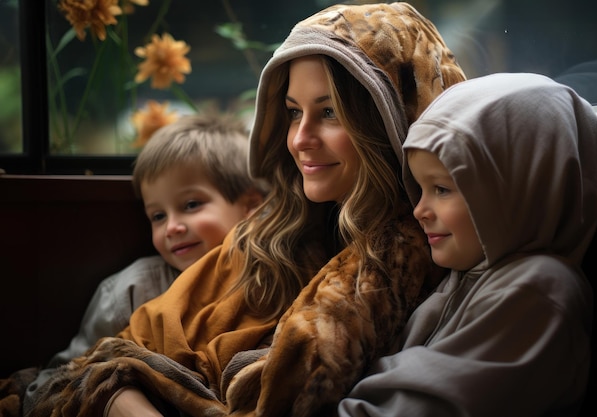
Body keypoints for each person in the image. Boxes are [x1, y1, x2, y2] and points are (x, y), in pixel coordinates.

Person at [23, 3, 466, 417]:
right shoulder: (268, 234)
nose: (299, 139)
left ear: (385, 122)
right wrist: (119, 393)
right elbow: (116, 353)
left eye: (329, 112)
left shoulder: (428, 248)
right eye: (293, 113)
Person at [336, 73, 597, 417]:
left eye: (442, 189)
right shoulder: (463, 277)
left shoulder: (539, 292)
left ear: (516, 189)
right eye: (420, 188)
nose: (419, 210)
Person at [5, 112, 268, 415]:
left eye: (191, 205)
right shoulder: (131, 290)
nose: (171, 227)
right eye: (158, 216)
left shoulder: (270, 283)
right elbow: (55, 383)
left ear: (251, 205)